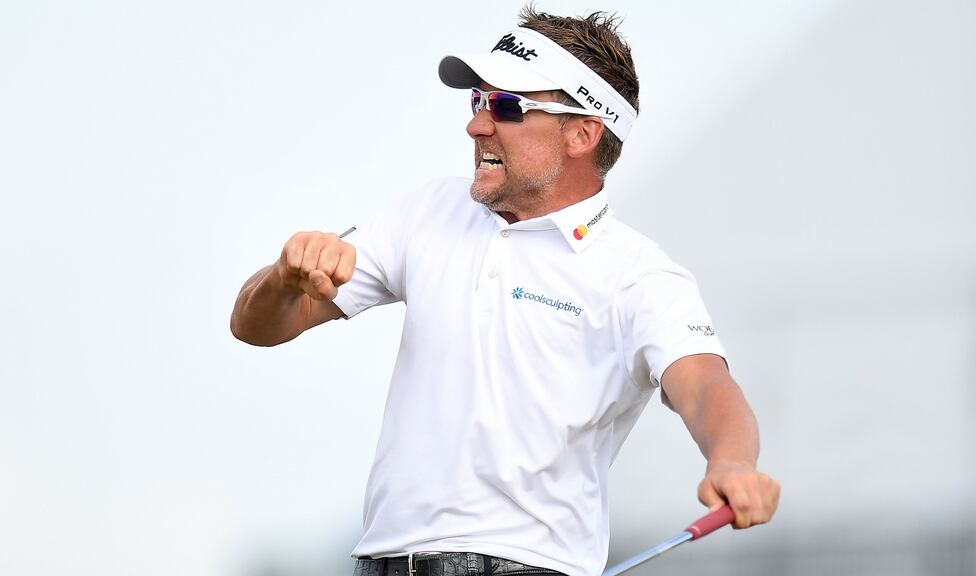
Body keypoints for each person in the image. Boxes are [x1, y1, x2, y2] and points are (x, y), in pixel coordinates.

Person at [231, 7, 780, 576]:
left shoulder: (638, 274)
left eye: (507, 106)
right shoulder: (432, 209)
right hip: (381, 561)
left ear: (583, 133)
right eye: (478, 101)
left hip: (527, 564)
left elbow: (706, 385)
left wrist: (733, 463)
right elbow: (254, 326)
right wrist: (283, 277)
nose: (477, 125)